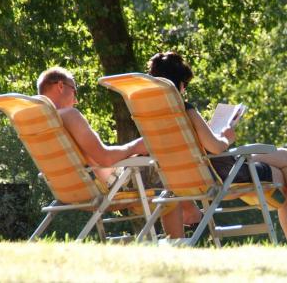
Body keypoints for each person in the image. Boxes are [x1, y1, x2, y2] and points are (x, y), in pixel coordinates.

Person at [147, 51, 287, 245]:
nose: (185, 89)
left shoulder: (151, 117)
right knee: (284, 162)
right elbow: (217, 147)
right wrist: (226, 136)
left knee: (282, 169)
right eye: (184, 84)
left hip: (188, 177)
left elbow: (193, 148)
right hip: (221, 175)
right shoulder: (186, 109)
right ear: (179, 84)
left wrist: (210, 136)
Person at [36, 67, 196, 238]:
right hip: (107, 187)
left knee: (149, 167)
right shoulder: (69, 115)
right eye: (75, 91)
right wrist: (136, 146)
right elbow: (105, 158)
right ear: (61, 86)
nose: (76, 101)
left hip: (68, 189)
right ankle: (186, 230)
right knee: (166, 170)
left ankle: (191, 214)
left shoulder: (37, 122)